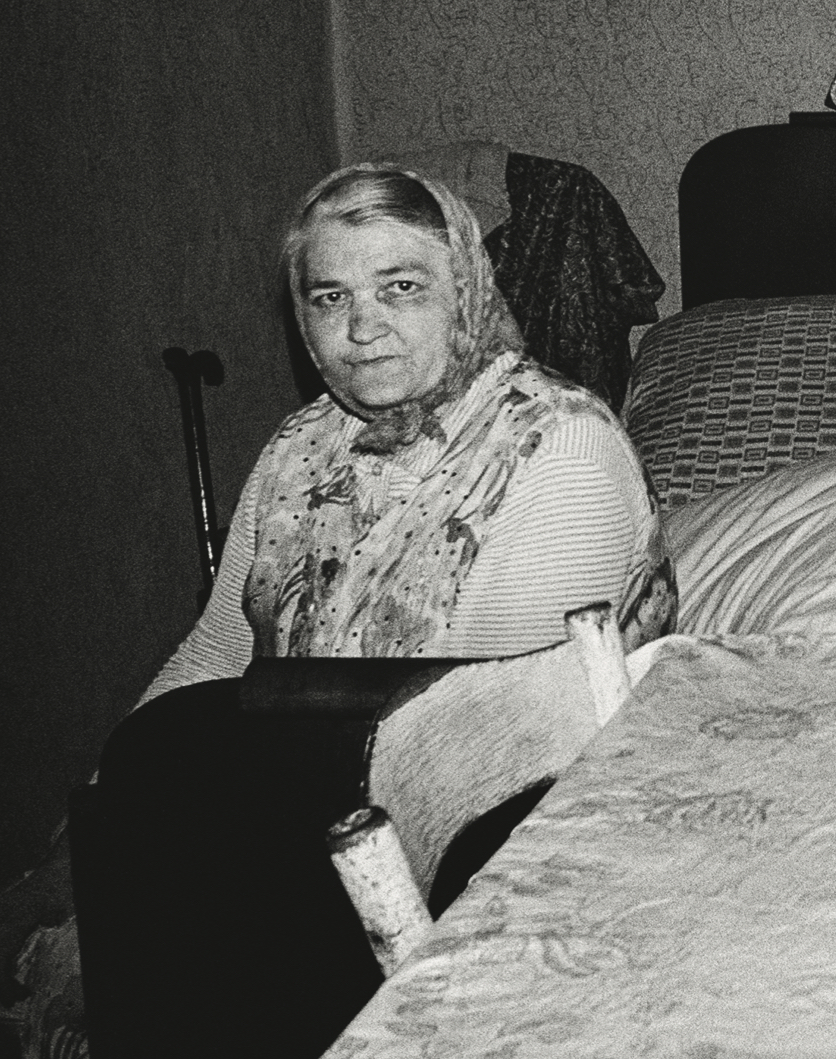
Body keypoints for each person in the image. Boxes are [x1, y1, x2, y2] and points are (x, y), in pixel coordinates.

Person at [69, 164, 676, 1058]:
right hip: (307, 829)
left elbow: (476, 754)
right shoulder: (299, 448)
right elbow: (218, 650)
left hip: (499, 865)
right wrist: (108, 813)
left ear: (463, 290)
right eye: (328, 297)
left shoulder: (559, 445)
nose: (360, 328)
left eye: (401, 287)